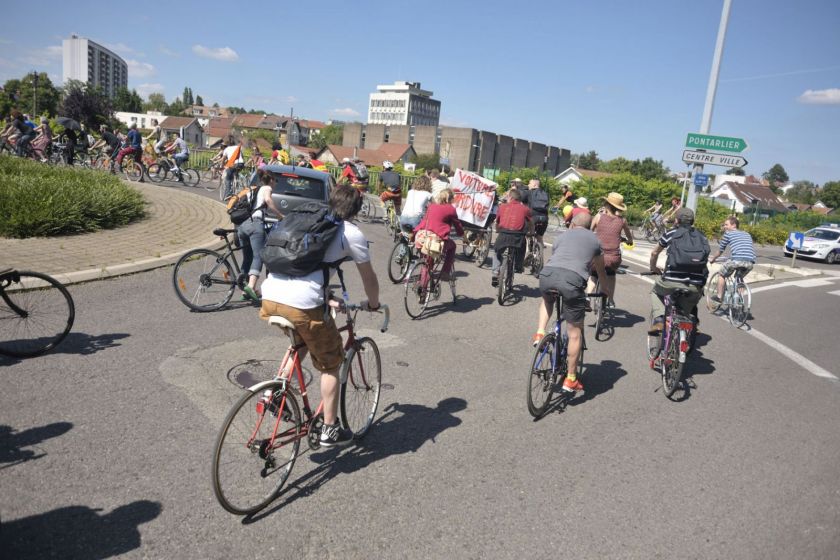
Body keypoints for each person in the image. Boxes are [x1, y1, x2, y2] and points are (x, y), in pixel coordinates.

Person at [259, 185, 381, 447]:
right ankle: (329, 428)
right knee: (330, 362)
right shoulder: (351, 233)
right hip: (302, 304)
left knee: (300, 342)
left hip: (270, 294)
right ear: (357, 210)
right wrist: (373, 303)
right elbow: (369, 277)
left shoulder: (310, 220)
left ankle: (274, 394)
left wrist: (326, 298)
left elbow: (304, 265)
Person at [534, 212, 607, 393]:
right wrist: (604, 289)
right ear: (590, 227)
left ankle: (540, 332)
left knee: (547, 300)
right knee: (575, 333)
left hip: (548, 274)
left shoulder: (562, 236)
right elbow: (599, 268)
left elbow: (557, 256)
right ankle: (571, 379)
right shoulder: (595, 240)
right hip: (572, 281)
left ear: (572, 224)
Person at [648, 208, 709, 336]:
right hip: (695, 285)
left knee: (656, 290)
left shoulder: (671, 234)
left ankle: (659, 319)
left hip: (671, 281)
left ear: (676, 220)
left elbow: (654, 252)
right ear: (693, 221)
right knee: (690, 302)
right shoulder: (702, 236)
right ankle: (692, 322)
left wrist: (653, 267)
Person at [237, 169, 284, 302]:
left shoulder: (255, 189)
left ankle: (244, 289)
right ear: (271, 180)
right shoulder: (267, 188)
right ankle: (251, 287)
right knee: (259, 256)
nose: (275, 183)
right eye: (275, 180)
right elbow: (268, 201)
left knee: (247, 258)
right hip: (255, 224)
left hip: (244, 225)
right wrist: (280, 216)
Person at [589, 192, 633, 306]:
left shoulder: (598, 216)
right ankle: (611, 300)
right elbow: (629, 237)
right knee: (611, 275)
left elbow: (589, 232)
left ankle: (588, 297)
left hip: (597, 258)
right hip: (613, 259)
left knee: (593, 274)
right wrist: (628, 241)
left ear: (606, 204)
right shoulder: (622, 221)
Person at [415, 187, 464, 281]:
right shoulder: (451, 209)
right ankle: (445, 273)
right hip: (435, 240)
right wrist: (463, 236)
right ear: (450, 199)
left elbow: (424, 221)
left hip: (422, 237)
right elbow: (458, 226)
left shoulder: (432, 206)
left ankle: (422, 284)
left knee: (427, 260)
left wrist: (414, 233)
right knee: (452, 246)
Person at [708, 216, 756, 302]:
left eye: (726, 224)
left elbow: (720, 251)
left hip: (737, 260)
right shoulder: (747, 234)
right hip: (750, 262)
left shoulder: (728, 234)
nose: (724, 226)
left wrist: (713, 259)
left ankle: (719, 297)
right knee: (739, 277)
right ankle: (739, 298)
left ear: (734, 225)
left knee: (721, 274)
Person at [491, 188, 532, 287]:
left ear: (510, 197)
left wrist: (497, 230)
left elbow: (497, 221)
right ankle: (518, 266)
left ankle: (495, 273)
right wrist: (531, 232)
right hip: (518, 236)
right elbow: (531, 222)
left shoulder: (502, 207)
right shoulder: (526, 209)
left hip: (504, 234)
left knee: (497, 251)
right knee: (521, 247)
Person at [520, 179, 550, 246]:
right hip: (544, 218)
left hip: (533, 217)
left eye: (529, 183)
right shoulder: (545, 193)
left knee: (525, 233)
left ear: (534, 185)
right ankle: (540, 253)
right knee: (539, 236)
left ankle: (526, 252)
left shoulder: (529, 193)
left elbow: (521, 199)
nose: (528, 185)